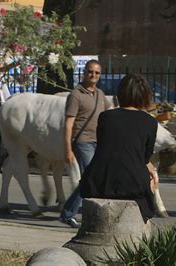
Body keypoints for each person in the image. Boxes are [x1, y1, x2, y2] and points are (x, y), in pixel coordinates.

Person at [79, 73, 159, 223]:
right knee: (150, 176)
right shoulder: (150, 122)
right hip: (133, 184)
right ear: (145, 95)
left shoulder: (106, 117)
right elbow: (145, 157)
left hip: (100, 181)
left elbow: (105, 146)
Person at [59, 60, 111, 228]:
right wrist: (68, 149)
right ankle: (69, 213)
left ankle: (75, 213)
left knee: (94, 179)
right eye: (90, 72)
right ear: (84, 73)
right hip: (83, 143)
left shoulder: (100, 94)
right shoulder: (76, 95)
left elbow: (110, 114)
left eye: (97, 73)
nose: (93, 75)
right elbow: (68, 124)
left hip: (99, 142)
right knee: (90, 178)